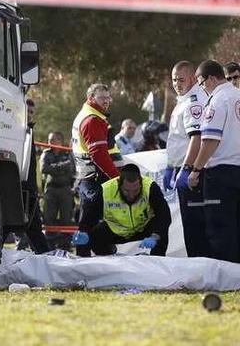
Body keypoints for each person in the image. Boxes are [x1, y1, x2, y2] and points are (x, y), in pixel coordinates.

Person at [186, 60, 240, 263]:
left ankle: (227, 275)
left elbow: (209, 140)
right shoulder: (237, 94)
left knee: (220, 227)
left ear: (210, 78)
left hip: (221, 174)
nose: (202, 88)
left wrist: (196, 169)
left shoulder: (217, 100)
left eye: (201, 82)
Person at [72, 164, 171, 257]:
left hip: (143, 227)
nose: (131, 196)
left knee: (161, 232)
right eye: (126, 191)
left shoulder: (150, 187)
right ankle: (103, 259)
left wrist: (155, 236)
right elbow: (88, 218)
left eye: (136, 191)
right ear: (119, 184)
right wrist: (83, 233)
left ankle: (157, 262)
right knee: (89, 235)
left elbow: (164, 215)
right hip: (115, 230)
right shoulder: (105, 190)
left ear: (141, 183)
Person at [71, 83, 124, 257]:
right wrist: (117, 177)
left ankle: (84, 256)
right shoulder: (92, 119)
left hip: (86, 177)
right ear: (91, 98)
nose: (107, 101)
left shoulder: (87, 115)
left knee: (86, 221)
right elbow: (98, 154)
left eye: (108, 98)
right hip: (94, 178)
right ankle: (100, 254)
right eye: (102, 98)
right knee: (95, 221)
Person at [167, 61, 210, 258]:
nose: (177, 83)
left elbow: (197, 137)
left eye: (181, 79)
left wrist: (186, 168)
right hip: (181, 168)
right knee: (188, 223)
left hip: (193, 171)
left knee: (195, 225)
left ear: (193, 78)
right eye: (174, 80)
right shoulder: (182, 100)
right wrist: (170, 166)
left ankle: (200, 267)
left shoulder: (194, 101)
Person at [14, 99, 50, 253]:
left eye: (31, 112)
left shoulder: (28, 130)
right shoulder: (15, 131)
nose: (29, 115)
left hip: (29, 188)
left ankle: (46, 258)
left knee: (34, 227)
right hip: (17, 187)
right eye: (26, 111)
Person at [41, 131, 75, 250]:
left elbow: (71, 169)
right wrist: (61, 166)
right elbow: (44, 169)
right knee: (49, 219)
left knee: (66, 218)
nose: (50, 143)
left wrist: (54, 168)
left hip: (65, 189)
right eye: (49, 140)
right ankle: (49, 246)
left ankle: (65, 246)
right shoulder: (46, 153)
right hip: (51, 189)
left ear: (60, 141)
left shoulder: (67, 153)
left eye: (53, 140)